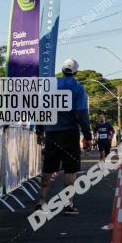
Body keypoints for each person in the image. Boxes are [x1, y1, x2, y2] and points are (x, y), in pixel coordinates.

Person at [37, 59, 92, 215]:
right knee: (70, 169)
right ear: (75, 72)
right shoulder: (78, 88)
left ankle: (41, 201)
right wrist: (87, 136)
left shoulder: (51, 86)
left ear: (62, 70)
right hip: (69, 133)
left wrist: (39, 130)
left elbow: (42, 109)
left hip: (52, 132)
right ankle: (68, 204)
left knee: (48, 167)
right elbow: (82, 114)